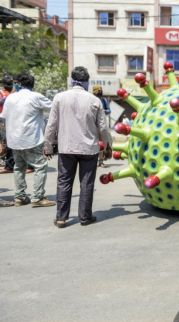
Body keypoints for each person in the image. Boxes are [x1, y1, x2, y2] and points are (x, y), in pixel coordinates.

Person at [44, 66, 112, 228]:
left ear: (72, 81)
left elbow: (51, 125)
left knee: (64, 182)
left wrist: (47, 145)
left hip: (66, 148)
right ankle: (85, 217)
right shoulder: (94, 100)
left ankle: (61, 218)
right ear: (87, 82)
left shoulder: (59, 98)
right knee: (87, 183)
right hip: (89, 149)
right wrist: (108, 146)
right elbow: (103, 127)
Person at [3, 73, 55, 208]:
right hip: (31, 139)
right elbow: (54, 107)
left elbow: (3, 116)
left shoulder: (10, 98)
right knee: (40, 166)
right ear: (32, 84)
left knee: (19, 167)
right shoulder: (36, 97)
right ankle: (37, 197)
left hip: (14, 140)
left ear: (18, 84)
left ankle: (20, 197)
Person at [93, 85, 111, 168]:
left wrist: (102, 111)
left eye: (99, 91)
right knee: (93, 142)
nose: (98, 92)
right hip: (92, 124)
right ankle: (93, 161)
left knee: (103, 142)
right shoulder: (90, 100)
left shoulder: (104, 100)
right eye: (97, 91)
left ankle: (101, 161)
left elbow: (109, 110)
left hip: (102, 124)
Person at [0, 75, 15, 175]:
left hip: (4, 120)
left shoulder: (3, 94)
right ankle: (8, 164)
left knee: (7, 143)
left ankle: (9, 165)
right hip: (10, 120)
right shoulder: (14, 94)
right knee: (7, 143)